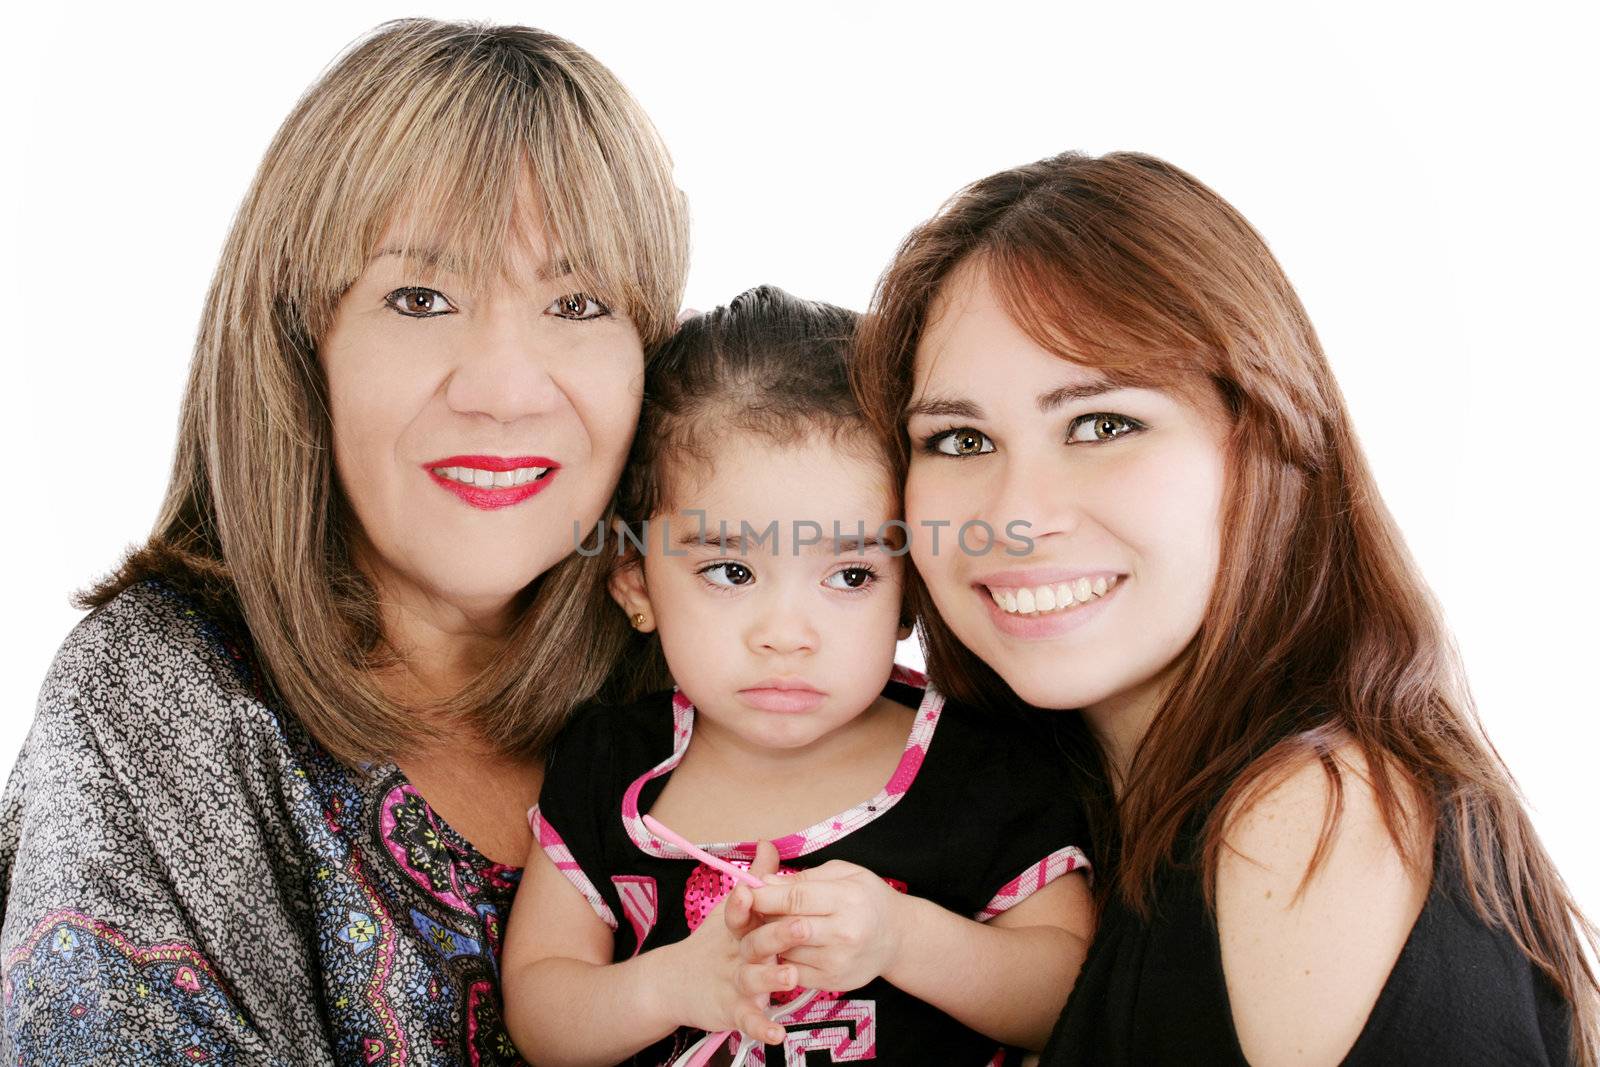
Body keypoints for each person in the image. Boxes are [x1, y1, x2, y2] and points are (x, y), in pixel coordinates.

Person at [0, 18, 688, 1063]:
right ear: (296, 345)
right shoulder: (162, 698)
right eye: (419, 298)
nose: (503, 389)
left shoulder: (712, 669)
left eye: (578, 302)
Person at [852, 151, 1599, 1065]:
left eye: (1101, 424)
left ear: (1267, 437)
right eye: (959, 438)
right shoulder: (1049, 835)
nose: (1013, 515)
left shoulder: (1304, 820)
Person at [501, 286, 1094, 1066]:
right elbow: (541, 1008)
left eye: (849, 577)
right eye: (729, 570)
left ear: (909, 592)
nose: (786, 635)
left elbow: (1073, 995)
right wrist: (669, 985)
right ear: (637, 584)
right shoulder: (610, 767)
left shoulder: (983, 766)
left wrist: (903, 937)